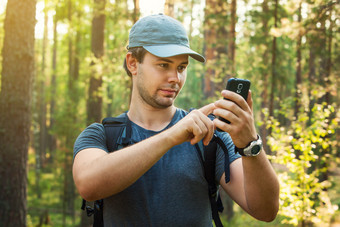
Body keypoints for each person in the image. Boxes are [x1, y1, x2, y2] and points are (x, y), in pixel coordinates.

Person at [73, 14, 279, 226]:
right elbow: (88, 185)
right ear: (133, 63)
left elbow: (266, 210)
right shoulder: (101, 135)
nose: (175, 78)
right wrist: (171, 136)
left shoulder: (210, 136)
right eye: (163, 65)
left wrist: (250, 144)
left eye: (181, 67)